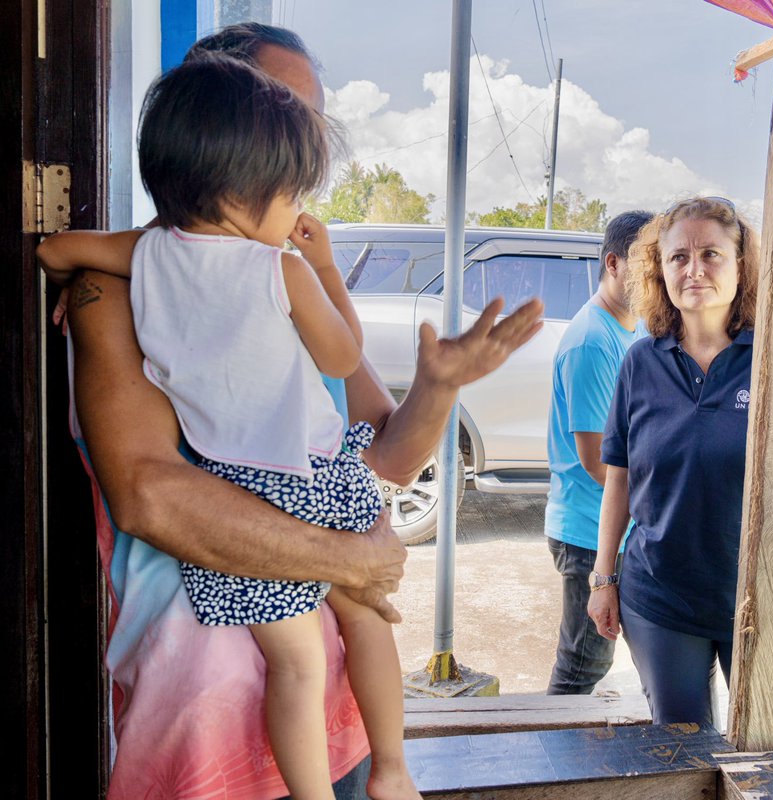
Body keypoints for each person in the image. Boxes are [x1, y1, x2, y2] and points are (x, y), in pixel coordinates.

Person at [62, 23, 543, 800]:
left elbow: (388, 456)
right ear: (218, 130)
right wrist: (346, 561)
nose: (305, 150)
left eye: (311, 125)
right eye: (288, 117)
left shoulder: (288, 278)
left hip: (330, 707)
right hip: (201, 698)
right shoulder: (116, 291)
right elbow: (149, 493)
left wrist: (440, 384)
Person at [41, 55, 424, 800]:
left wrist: (86, 279)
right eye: (294, 193)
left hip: (231, 487)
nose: (302, 213)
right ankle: (393, 769)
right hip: (301, 484)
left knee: (297, 662)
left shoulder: (141, 259)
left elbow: (57, 249)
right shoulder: (278, 271)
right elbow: (344, 358)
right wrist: (318, 272)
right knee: (367, 612)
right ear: (244, 189)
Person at [586, 198, 773, 776]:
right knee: (684, 767)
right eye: (678, 257)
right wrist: (603, 578)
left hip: (771, 599)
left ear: (741, 267)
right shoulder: (640, 364)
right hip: (662, 600)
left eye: (711, 255)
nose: (693, 270)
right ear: (659, 271)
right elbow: (619, 477)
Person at [544, 209, 652, 695]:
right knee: (582, 665)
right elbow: (597, 462)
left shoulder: (631, 329)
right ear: (614, 263)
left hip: (617, 527)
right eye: (647, 263)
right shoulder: (592, 341)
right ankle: (552, 764)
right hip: (588, 531)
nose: (660, 275)